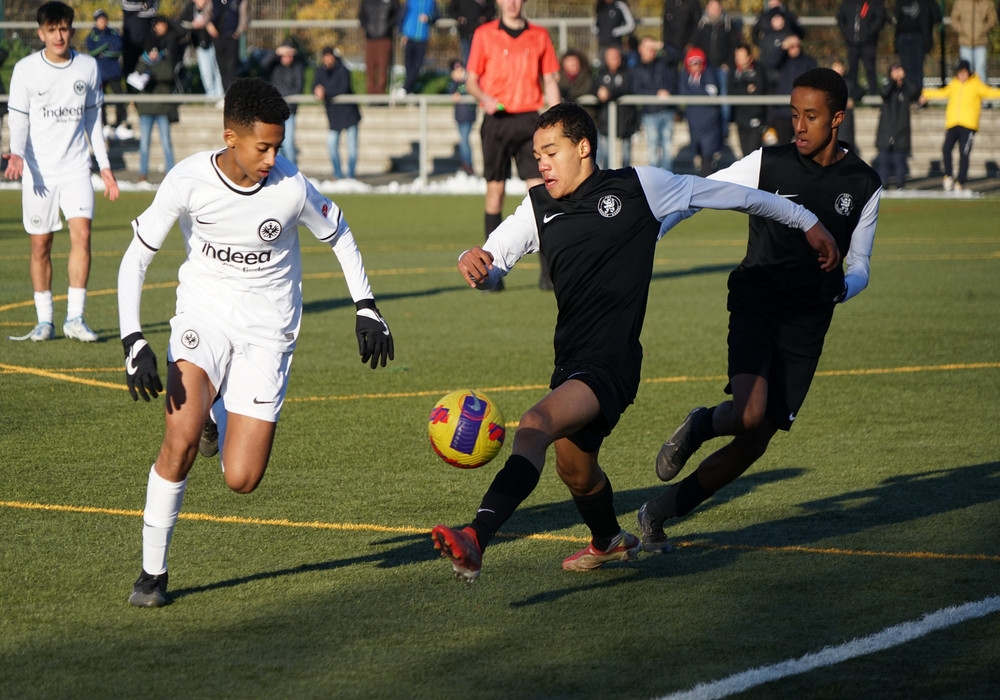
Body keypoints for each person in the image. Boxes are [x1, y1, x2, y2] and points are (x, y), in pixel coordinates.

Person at [430, 102, 840, 584]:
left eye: (551, 152)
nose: (542, 163)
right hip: (570, 362)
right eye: (537, 155)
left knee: (535, 426)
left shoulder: (641, 187)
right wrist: (472, 258)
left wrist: (807, 221)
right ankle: (609, 540)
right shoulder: (538, 206)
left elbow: (735, 195)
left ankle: (476, 536)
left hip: (613, 363)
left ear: (584, 148)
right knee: (575, 470)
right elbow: (492, 260)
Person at [119, 77, 394, 608]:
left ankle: (216, 412)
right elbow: (137, 257)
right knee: (179, 440)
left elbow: (339, 234)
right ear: (231, 137)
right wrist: (133, 338)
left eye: (277, 146)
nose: (272, 158)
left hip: (268, 333)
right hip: (203, 319)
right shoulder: (188, 180)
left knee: (242, 479)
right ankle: (152, 573)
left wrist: (366, 306)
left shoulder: (291, 188)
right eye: (262, 147)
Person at [637, 67, 882, 554]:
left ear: (837, 118)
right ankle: (701, 423)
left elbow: (861, 266)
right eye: (794, 114)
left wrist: (842, 288)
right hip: (757, 300)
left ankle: (658, 512)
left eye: (811, 116)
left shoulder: (864, 182)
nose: (799, 126)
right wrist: (653, 234)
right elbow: (696, 194)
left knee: (755, 441)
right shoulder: (766, 163)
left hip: (808, 321)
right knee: (749, 414)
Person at [3, 2, 120, 344]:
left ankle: (75, 319)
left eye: (64, 29)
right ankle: (45, 321)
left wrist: (105, 167)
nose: (59, 36)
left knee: (82, 235)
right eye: (52, 30)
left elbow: (92, 121)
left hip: (76, 169)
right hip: (39, 173)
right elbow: (19, 119)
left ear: (71, 30)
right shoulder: (26, 70)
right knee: (41, 244)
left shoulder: (87, 67)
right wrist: (17, 154)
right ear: (41, 33)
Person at [464, 0, 561, 291]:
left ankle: (549, 273)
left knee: (541, 193)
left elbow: (550, 80)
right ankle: (490, 271)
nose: (512, 3)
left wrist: (558, 120)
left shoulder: (539, 35)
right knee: (495, 192)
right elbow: (471, 81)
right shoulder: (484, 34)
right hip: (497, 122)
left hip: (530, 121)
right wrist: (485, 98)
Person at [919, 59, 1000, 192]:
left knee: (964, 153)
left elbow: (990, 92)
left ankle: (960, 182)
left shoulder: (976, 84)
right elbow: (942, 93)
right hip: (953, 123)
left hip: (968, 125)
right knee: (946, 149)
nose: (962, 75)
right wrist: (925, 94)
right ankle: (949, 176)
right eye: (960, 72)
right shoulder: (954, 84)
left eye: (964, 72)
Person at [691, 0, 743, 144]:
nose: (714, 9)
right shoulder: (701, 24)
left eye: (717, 6)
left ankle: (724, 130)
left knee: (724, 97)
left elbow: (734, 45)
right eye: (711, 6)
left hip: (722, 68)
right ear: (707, 8)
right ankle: (707, 128)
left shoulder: (728, 24)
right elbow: (696, 44)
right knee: (706, 97)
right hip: (705, 68)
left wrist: (729, 63)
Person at [313, 46, 362, 180]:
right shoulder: (320, 71)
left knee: (352, 147)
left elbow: (343, 87)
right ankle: (338, 174)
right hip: (333, 116)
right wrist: (317, 91)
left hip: (349, 113)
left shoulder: (343, 70)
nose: (328, 59)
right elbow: (315, 85)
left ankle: (350, 175)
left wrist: (325, 92)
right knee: (331, 144)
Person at [631, 36, 678, 171]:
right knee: (653, 149)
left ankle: (668, 179)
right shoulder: (636, 68)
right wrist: (656, 93)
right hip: (650, 113)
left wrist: (662, 45)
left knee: (667, 149)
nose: (650, 50)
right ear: (640, 49)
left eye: (652, 47)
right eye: (647, 47)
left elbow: (677, 56)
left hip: (667, 110)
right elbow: (637, 90)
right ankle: (655, 180)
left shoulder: (663, 62)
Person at [134, 43, 176, 183]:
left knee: (166, 142)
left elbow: (168, 75)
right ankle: (143, 173)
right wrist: (145, 74)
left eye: (156, 51)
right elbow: (135, 81)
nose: (153, 55)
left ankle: (171, 171)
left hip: (162, 109)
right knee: (144, 144)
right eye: (151, 52)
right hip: (145, 110)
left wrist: (152, 74)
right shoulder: (141, 64)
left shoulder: (164, 63)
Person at [678, 47, 723, 175]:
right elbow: (683, 92)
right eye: (693, 64)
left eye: (699, 63)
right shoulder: (685, 76)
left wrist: (693, 92)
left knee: (708, 159)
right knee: (699, 154)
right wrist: (699, 92)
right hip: (694, 122)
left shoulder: (709, 73)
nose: (696, 67)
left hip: (709, 123)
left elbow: (712, 93)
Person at [765, 34, 817, 144]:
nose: (794, 48)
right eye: (791, 46)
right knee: (783, 147)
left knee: (805, 144)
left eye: (796, 45)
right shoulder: (782, 61)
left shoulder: (808, 61)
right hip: (783, 112)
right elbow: (770, 63)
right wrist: (783, 47)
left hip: (803, 111)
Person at [594, 44, 639, 169]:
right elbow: (593, 87)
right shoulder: (601, 74)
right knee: (605, 156)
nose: (614, 59)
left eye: (616, 56)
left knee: (626, 157)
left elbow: (628, 88)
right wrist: (598, 91)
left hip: (625, 120)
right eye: (611, 57)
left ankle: (625, 180)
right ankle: (607, 180)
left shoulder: (628, 72)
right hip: (606, 121)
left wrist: (609, 93)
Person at [875, 63, 920, 189]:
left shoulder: (906, 89)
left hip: (901, 128)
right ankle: (883, 183)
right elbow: (884, 93)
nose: (897, 74)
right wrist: (893, 81)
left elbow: (915, 92)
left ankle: (900, 184)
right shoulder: (888, 85)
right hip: (886, 128)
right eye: (894, 71)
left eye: (899, 71)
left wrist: (904, 79)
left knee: (899, 158)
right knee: (884, 159)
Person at [260, 42, 305, 165]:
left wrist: (281, 97)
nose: (287, 58)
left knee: (289, 144)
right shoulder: (275, 65)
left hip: (289, 111)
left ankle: (292, 170)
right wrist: (276, 52)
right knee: (277, 145)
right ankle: (279, 169)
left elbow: (298, 88)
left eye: (290, 55)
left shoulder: (297, 67)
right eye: (284, 55)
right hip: (275, 112)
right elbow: (263, 65)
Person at [86, 8, 128, 134]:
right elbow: (92, 52)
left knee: (120, 98)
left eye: (103, 19)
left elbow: (118, 49)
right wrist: (105, 46)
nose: (102, 22)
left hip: (114, 71)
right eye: (99, 20)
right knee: (100, 100)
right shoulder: (92, 36)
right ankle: (104, 123)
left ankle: (118, 123)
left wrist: (103, 53)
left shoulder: (114, 33)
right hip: (100, 72)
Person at [752, 0, 804, 94]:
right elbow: (771, 61)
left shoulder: (789, 25)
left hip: (787, 77)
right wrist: (782, 46)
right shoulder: (766, 36)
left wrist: (794, 42)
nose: (779, 21)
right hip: (770, 78)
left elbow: (801, 32)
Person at [836, 0, 886, 96]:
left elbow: (880, 18)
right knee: (852, 69)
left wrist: (868, 33)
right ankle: (853, 93)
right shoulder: (847, 3)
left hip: (868, 43)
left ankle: (873, 94)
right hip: (851, 43)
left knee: (870, 69)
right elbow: (840, 18)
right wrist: (847, 34)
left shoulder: (873, 3)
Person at [180, 0, 224, 100]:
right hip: (201, 45)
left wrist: (205, 23)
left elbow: (217, 19)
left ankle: (220, 96)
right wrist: (193, 24)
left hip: (215, 42)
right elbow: (182, 21)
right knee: (206, 73)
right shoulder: (191, 7)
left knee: (218, 70)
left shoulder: (214, 5)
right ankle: (211, 97)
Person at [893, 0, 941, 90]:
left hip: (919, 37)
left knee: (917, 68)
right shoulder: (900, 2)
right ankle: (908, 93)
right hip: (903, 37)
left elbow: (937, 16)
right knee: (906, 68)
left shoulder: (926, 2)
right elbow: (897, 17)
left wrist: (927, 22)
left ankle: (917, 93)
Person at [730, 43, 767, 156]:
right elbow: (731, 92)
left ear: (749, 57)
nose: (738, 59)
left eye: (741, 56)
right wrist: (746, 88)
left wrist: (742, 87)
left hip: (756, 118)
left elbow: (759, 90)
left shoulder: (759, 69)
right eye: (737, 56)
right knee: (744, 154)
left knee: (753, 153)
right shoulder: (733, 72)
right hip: (740, 119)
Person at [949, 0, 998, 82]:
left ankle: (980, 89)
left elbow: (992, 19)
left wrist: (983, 29)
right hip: (965, 42)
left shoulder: (987, 2)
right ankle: (968, 89)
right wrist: (962, 29)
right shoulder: (960, 2)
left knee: (980, 69)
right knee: (966, 70)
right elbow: (954, 19)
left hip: (981, 41)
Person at [360, 0, 401, 95]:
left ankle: (381, 94)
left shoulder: (392, 1)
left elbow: (397, 14)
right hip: (370, 38)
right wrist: (369, 27)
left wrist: (387, 26)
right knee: (370, 67)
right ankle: (371, 94)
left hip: (385, 38)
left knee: (383, 67)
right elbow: (362, 16)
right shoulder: (366, 2)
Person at [399, 0, 440, 95]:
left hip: (422, 38)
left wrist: (429, 18)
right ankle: (409, 90)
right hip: (409, 36)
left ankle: (405, 88)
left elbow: (437, 15)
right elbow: (402, 16)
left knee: (418, 64)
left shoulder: (431, 2)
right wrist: (401, 33)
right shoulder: (410, 1)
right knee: (408, 64)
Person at [207, 0, 249, 91]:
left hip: (232, 37)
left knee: (231, 69)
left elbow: (244, 16)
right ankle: (225, 92)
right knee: (221, 69)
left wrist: (238, 32)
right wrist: (208, 24)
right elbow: (207, 13)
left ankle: (230, 92)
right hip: (217, 37)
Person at [447, 58, 477, 175]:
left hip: (468, 116)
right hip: (459, 117)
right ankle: (466, 164)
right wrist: (455, 81)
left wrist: (464, 80)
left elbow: (472, 90)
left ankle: (467, 165)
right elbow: (450, 92)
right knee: (463, 140)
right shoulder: (454, 83)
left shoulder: (468, 81)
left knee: (464, 141)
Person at [448, 0, 495, 64]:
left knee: (482, 60)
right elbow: (451, 10)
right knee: (468, 60)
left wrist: (485, 17)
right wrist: (458, 17)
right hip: (465, 32)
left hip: (482, 33)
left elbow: (491, 10)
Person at [661, 0, 703, 68]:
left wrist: (692, 42)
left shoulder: (693, 3)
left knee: (688, 71)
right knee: (670, 71)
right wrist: (665, 42)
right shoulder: (669, 3)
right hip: (670, 46)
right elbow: (666, 24)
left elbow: (698, 25)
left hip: (687, 47)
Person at [121, 0, 158, 77]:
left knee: (150, 67)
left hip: (149, 25)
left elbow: (152, 5)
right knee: (130, 67)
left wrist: (147, 4)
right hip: (132, 26)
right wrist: (144, 4)